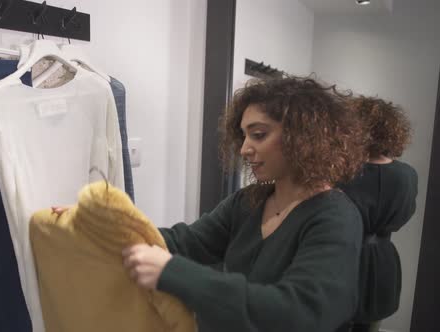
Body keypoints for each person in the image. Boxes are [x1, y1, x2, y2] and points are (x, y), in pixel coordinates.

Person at [121, 76, 368, 332]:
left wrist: (174, 273)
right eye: (244, 136)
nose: (244, 149)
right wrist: (119, 233)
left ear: (303, 137)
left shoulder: (336, 218)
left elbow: (299, 311)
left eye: (259, 135)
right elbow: (187, 241)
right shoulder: (248, 201)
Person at [339, 96, 418, 332]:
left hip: (341, 260)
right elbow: (404, 215)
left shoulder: (341, 174)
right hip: (383, 261)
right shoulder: (408, 175)